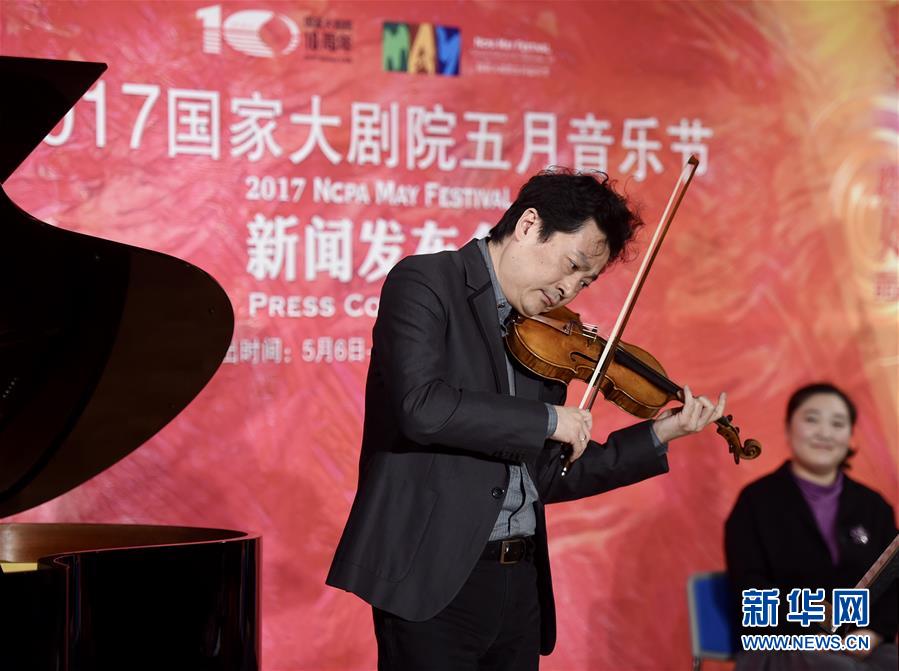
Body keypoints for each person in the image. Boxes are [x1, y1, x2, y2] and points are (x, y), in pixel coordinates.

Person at [327, 169, 727, 670]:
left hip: (518, 584)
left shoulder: (544, 336)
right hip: (431, 578)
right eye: (571, 265)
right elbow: (421, 407)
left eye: (584, 281)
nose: (569, 289)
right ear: (528, 225)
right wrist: (546, 420)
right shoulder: (426, 281)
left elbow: (546, 477)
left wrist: (659, 433)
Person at [725, 382, 898, 671]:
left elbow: (893, 586)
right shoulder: (755, 502)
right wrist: (809, 633)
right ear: (788, 428)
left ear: (850, 436)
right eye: (812, 419)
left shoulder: (874, 506)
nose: (825, 433)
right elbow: (748, 588)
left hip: (859, 646)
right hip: (779, 645)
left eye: (837, 423)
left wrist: (873, 633)